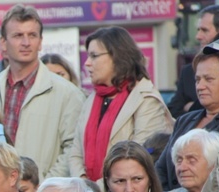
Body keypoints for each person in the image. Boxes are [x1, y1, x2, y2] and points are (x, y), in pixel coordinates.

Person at [0, 5, 85, 178]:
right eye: (18, 35)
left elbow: (73, 149)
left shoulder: (68, 93)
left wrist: (42, 186)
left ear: (40, 42)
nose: (26, 43)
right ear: (3, 43)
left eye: (32, 35)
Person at [69, 26, 174, 181]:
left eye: (94, 56)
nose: (87, 63)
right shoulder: (92, 99)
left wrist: (97, 190)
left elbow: (140, 161)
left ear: (117, 56)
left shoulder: (146, 99)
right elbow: (75, 154)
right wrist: (83, 186)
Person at [157, 40, 219, 191]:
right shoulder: (184, 120)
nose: (200, 86)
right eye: (197, 80)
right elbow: (160, 170)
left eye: (209, 79)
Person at [167, 5, 219, 118]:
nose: (198, 36)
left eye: (204, 30)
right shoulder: (188, 72)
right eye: (197, 80)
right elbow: (173, 111)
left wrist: (191, 106)